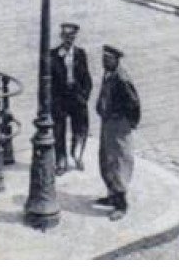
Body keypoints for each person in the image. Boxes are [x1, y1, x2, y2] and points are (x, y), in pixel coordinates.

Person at [95, 44, 141, 221]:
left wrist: (126, 124)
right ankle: (112, 195)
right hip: (108, 123)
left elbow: (133, 104)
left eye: (108, 59)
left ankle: (121, 204)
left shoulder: (122, 78)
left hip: (118, 125)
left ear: (116, 60)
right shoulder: (109, 74)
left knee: (119, 160)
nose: (104, 62)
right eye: (103, 59)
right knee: (107, 158)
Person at [49, 22, 94, 175]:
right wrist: (52, 100)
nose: (69, 40)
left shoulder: (81, 54)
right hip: (60, 99)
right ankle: (60, 161)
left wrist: (84, 96)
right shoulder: (53, 54)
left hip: (77, 98)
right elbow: (48, 80)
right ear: (61, 37)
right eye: (66, 36)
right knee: (58, 130)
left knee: (80, 128)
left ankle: (77, 155)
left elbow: (86, 78)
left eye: (72, 37)